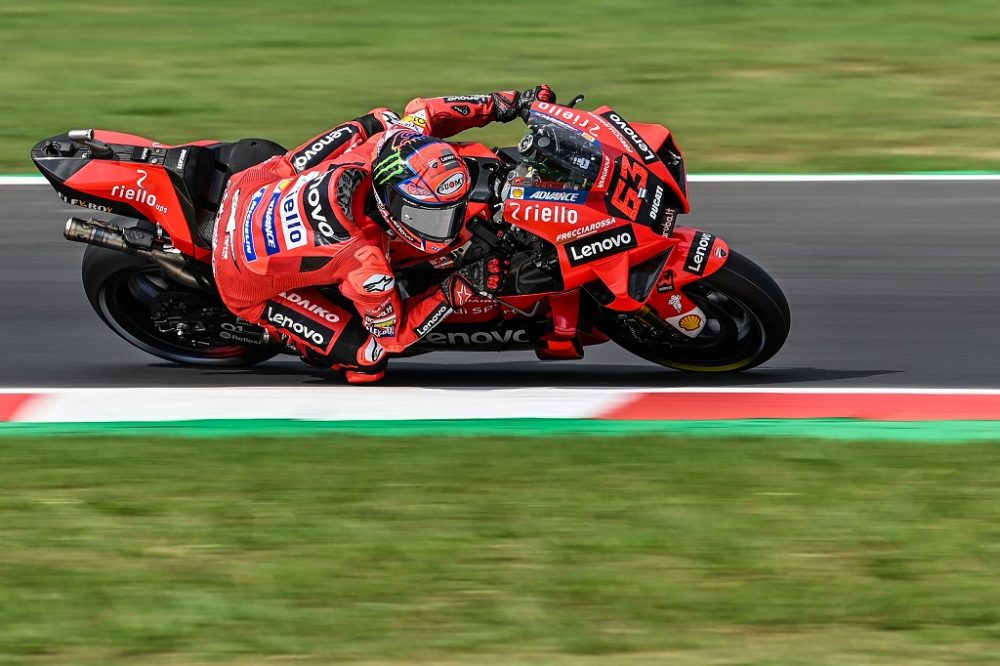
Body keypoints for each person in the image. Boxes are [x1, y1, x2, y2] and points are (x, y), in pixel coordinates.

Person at [212, 85, 556, 383]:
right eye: (434, 217)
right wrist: (458, 288)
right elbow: (394, 336)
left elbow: (426, 110)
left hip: (250, 185)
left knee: (378, 121)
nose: (450, 226)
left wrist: (507, 104)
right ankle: (294, 340)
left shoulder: (387, 144)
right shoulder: (369, 267)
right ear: (392, 204)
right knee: (369, 357)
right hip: (240, 276)